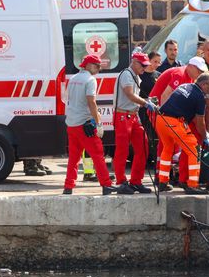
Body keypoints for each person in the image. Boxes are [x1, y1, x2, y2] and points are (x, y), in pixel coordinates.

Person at [62, 54, 116, 195]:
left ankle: (68, 187)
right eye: (96, 65)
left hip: (71, 124)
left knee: (73, 158)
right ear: (86, 65)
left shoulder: (73, 79)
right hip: (84, 124)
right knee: (98, 154)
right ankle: (106, 185)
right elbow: (91, 102)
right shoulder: (90, 79)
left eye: (99, 66)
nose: (98, 68)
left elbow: (67, 99)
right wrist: (98, 123)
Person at [155, 73, 209, 195]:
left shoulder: (184, 86)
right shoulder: (199, 97)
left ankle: (162, 181)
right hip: (174, 122)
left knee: (167, 149)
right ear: (203, 84)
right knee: (194, 149)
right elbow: (200, 123)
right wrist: (205, 137)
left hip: (160, 119)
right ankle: (192, 185)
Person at [112, 52, 157, 194]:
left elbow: (133, 96)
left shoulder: (136, 76)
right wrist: (145, 103)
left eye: (146, 65)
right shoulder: (126, 74)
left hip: (132, 115)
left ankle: (136, 181)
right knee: (122, 150)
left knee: (143, 147)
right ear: (135, 62)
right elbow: (129, 94)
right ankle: (121, 182)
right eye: (143, 65)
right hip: (122, 115)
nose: (145, 68)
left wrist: (147, 101)